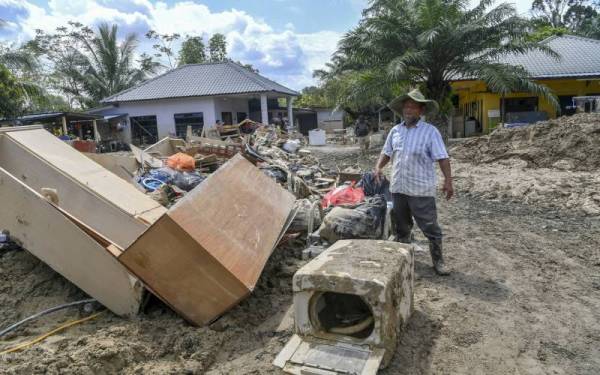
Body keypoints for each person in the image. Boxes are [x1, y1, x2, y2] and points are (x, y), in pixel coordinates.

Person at [374, 89, 453, 275]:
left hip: (420, 189)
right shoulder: (396, 131)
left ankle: (438, 261)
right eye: (406, 106)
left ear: (421, 110)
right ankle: (404, 258)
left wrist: (448, 181)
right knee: (402, 226)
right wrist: (378, 167)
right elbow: (386, 152)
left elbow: (443, 158)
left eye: (413, 106)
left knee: (430, 227)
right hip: (399, 187)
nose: (408, 110)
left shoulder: (430, 132)